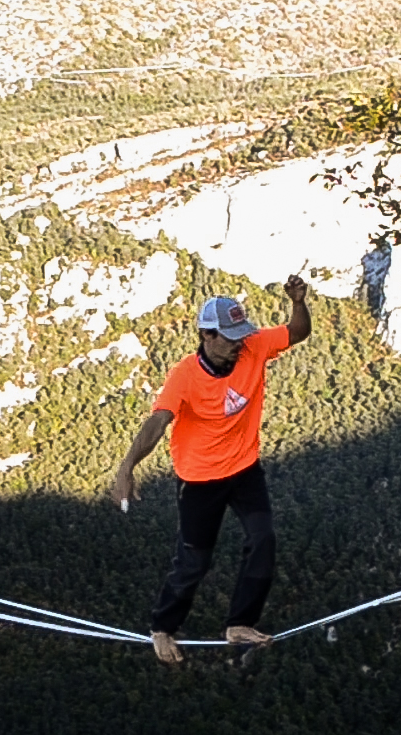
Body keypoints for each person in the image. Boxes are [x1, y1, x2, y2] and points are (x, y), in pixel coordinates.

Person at [111, 276, 312, 664]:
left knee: (263, 538)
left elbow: (296, 332)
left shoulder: (252, 347)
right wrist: (127, 467)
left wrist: (299, 302)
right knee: (194, 561)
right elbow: (157, 422)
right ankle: (163, 628)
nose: (240, 343)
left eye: (242, 334)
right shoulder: (185, 375)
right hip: (199, 480)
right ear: (206, 335)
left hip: (244, 469)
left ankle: (239, 622)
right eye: (231, 337)